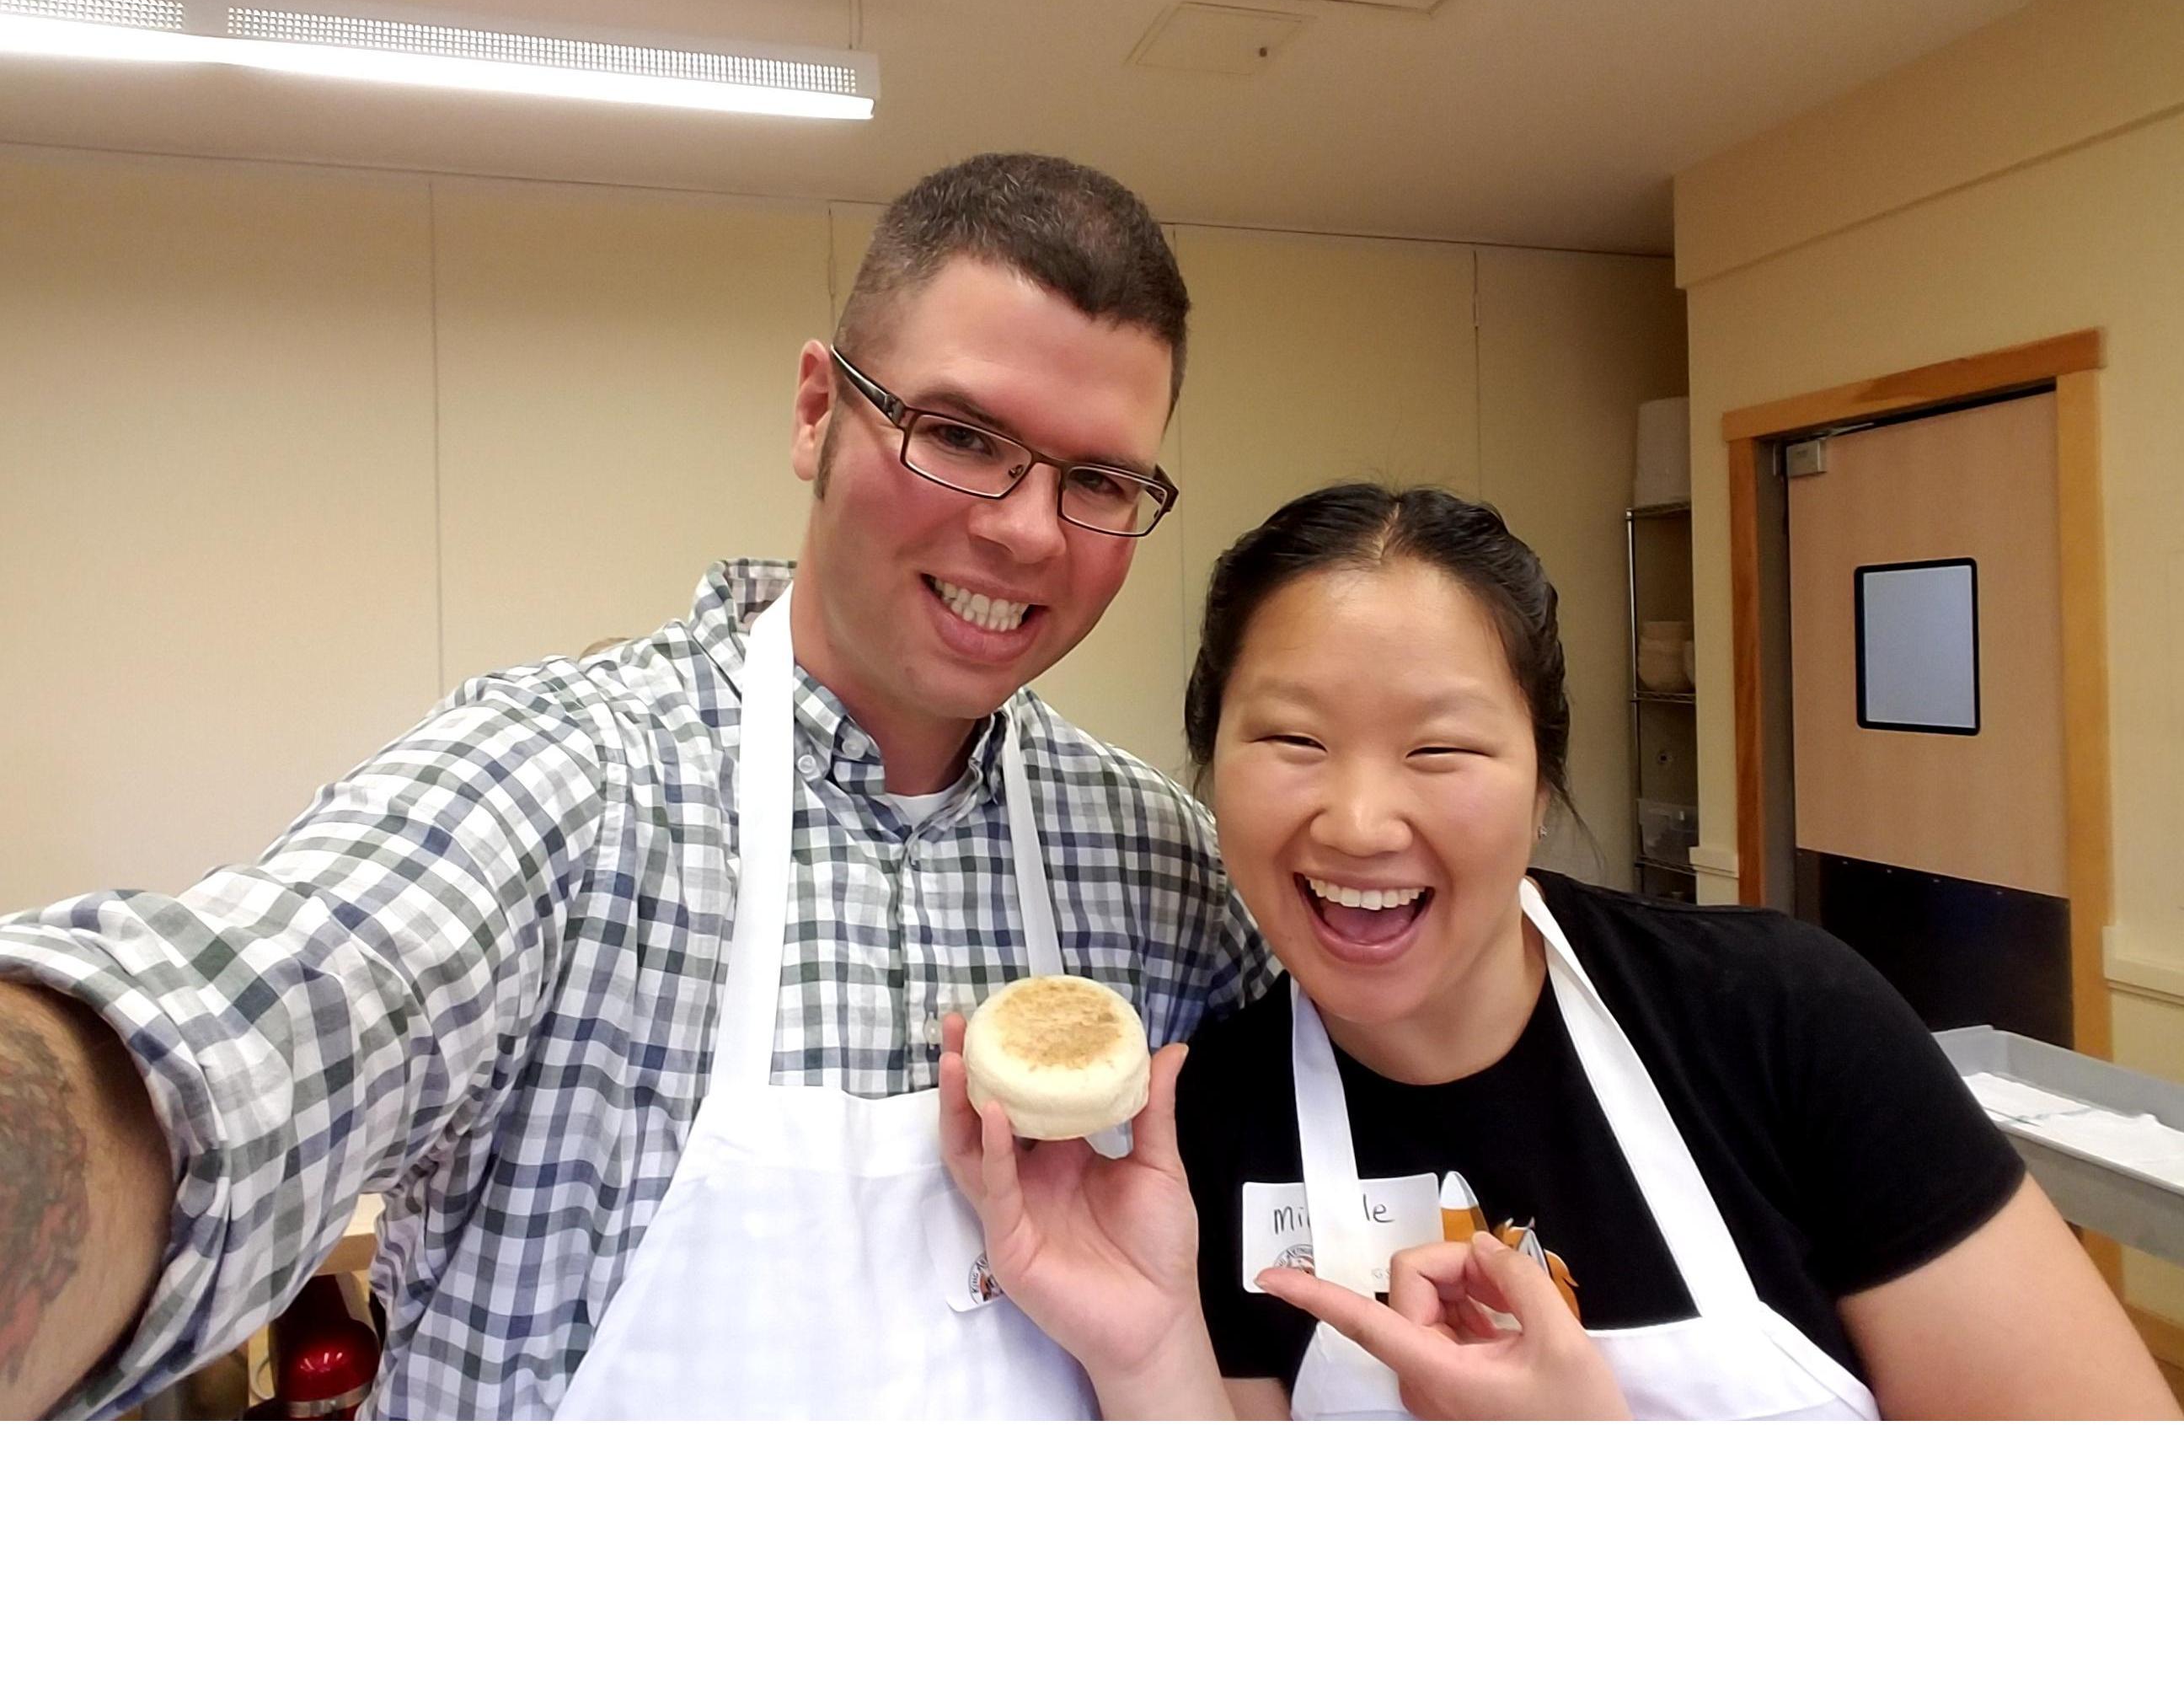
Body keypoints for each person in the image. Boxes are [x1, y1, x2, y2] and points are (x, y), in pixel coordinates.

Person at [0, 151, 1271, 1420]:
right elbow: (246, 1043)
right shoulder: (570, 778)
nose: (1028, 530)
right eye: (959, 436)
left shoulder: (1165, 864)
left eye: (1098, 481)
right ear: (818, 413)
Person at [939, 483, 2181, 1419]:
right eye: (1294, 742)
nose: (1362, 823)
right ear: (1213, 769)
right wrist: (1145, 1348)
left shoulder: (1776, 1019)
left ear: (1542, 784)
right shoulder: (1205, 1124)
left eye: (1441, 750)